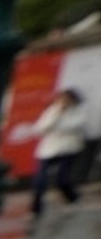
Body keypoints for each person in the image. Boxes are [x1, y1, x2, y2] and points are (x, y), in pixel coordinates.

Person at [27, 88, 87, 221]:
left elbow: (75, 126)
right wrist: (57, 115)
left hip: (68, 148)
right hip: (48, 149)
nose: (63, 101)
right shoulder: (52, 111)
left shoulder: (79, 111)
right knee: (39, 181)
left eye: (66, 99)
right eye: (61, 98)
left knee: (62, 179)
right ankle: (35, 210)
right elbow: (40, 129)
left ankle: (73, 198)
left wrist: (57, 125)